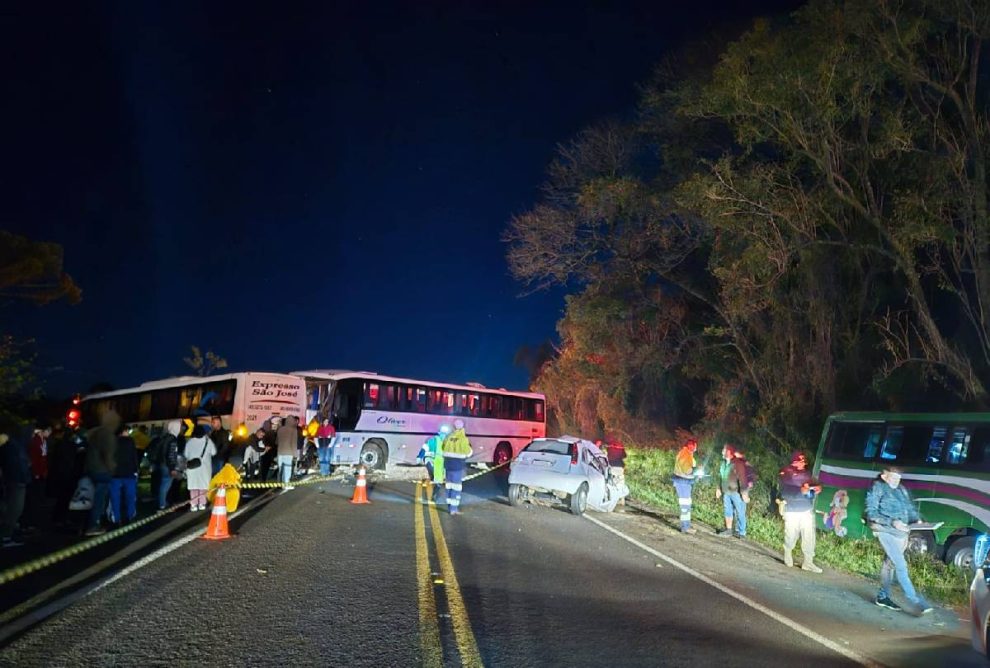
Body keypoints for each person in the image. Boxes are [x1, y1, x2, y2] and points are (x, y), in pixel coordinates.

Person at [865, 466, 934, 615]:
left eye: (899, 478)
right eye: (893, 477)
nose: (896, 481)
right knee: (901, 565)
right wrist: (891, 522)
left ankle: (883, 597)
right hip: (885, 531)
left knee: (889, 565)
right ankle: (917, 602)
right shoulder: (878, 488)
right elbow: (871, 513)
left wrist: (918, 520)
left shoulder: (901, 489)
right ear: (884, 477)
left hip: (901, 533)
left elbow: (909, 508)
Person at [779, 452, 823, 572]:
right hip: (792, 510)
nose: (803, 463)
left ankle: (808, 562)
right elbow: (784, 492)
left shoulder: (807, 474)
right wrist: (800, 491)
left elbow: (812, 489)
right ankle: (788, 552)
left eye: (804, 461)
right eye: (800, 461)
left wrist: (816, 489)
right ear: (794, 461)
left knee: (809, 536)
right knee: (791, 535)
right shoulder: (786, 473)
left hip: (806, 510)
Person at [84, 410, 119, 536]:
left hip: (91, 469)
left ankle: (92, 522)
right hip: (102, 471)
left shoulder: (95, 433)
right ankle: (93, 525)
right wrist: (112, 468)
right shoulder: (108, 435)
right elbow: (108, 455)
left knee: (93, 497)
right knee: (99, 499)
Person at [1, 421, 32, 548]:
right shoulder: (17, 446)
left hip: (10, 479)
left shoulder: (9, 444)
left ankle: (7, 533)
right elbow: (20, 464)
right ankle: (5, 537)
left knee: (8, 506)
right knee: (14, 508)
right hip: (17, 480)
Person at [47, 422, 79, 526]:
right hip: (68, 475)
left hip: (60, 474)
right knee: (64, 499)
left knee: (60, 499)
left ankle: (56, 518)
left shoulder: (59, 445)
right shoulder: (72, 446)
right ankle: (60, 518)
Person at [715, 444, 750, 538]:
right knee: (728, 511)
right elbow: (721, 477)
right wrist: (718, 488)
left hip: (736, 493)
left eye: (724, 450)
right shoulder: (723, 463)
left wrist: (744, 493)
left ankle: (742, 532)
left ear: (729, 452)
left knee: (740, 512)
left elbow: (742, 479)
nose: (722, 452)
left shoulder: (737, 463)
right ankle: (729, 530)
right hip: (726, 492)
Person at [441, 418, 473, 515]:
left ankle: (450, 506)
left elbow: (443, 449)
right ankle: (453, 509)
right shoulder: (463, 439)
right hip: (457, 467)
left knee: (449, 486)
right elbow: (468, 452)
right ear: (462, 427)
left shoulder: (448, 437)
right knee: (456, 487)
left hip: (447, 466)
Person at [109, 424, 138, 526]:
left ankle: (116, 518)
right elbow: (134, 457)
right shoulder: (130, 441)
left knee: (115, 496)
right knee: (130, 495)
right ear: (123, 431)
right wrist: (136, 469)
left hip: (115, 473)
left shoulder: (112, 442)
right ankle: (130, 515)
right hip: (128, 472)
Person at [24, 424, 51, 532]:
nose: (49, 433)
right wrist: (36, 472)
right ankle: (27, 522)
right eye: (48, 430)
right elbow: (35, 458)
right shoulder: (36, 441)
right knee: (32, 498)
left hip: (41, 473)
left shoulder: (43, 441)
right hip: (36, 473)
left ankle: (32, 521)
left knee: (36, 498)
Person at [183, 425, 216, 511]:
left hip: (192, 468)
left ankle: (193, 505)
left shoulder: (189, 442)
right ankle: (202, 503)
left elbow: (185, 454)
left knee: (193, 487)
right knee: (203, 486)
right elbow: (214, 452)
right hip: (204, 468)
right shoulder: (208, 441)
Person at [672, 438, 701, 534]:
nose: (696, 448)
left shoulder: (687, 454)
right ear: (691, 446)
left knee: (686, 503)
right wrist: (696, 471)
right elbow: (687, 469)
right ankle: (685, 527)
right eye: (695, 446)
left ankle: (686, 525)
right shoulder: (685, 454)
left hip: (684, 482)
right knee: (685, 504)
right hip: (682, 482)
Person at [152, 421, 182, 510]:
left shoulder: (164, 437)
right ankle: (162, 505)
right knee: (165, 485)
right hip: (168, 465)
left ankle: (161, 502)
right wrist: (172, 468)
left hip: (161, 464)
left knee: (162, 484)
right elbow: (171, 455)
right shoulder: (173, 440)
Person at [420, 425, 449, 504]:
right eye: (443, 433)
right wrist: (420, 456)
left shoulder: (447, 442)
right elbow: (425, 447)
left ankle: (433, 497)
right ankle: (432, 496)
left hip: (440, 465)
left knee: (438, 482)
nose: (444, 435)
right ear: (439, 433)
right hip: (432, 462)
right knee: (435, 479)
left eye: (445, 434)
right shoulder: (434, 440)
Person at [276, 416, 299, 489]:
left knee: (280, 469)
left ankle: (279, 483)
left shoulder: (280, 429)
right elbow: (293, 443)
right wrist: (295, 455)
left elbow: (276, 442)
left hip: (280, 452)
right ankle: (286, 485)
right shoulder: (294, 430)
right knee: (287, 469)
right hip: (288, 452)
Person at [606, 439, 627, 506]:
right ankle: (622, 499)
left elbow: (607, 455)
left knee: (612, 483)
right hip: (620, 467)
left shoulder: (609, 446)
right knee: (620, 482)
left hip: (612, 467)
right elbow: (625, 456)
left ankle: (612, 499)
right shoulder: (620, 446)